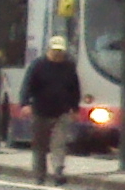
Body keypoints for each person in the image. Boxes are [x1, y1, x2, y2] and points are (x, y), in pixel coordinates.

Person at [19, 35, 81, 186]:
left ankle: (58, 171)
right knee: (40, 146)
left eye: (60, 51)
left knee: (59, 143)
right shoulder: (38, 65)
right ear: (49, 50)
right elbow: (27, 85)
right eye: (55, 51)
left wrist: (75, 108)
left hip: (62, 112)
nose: (58, 54)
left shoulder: (69, 66)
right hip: (41, 112)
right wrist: (25, 104)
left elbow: (74, 88)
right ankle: (40, 175)